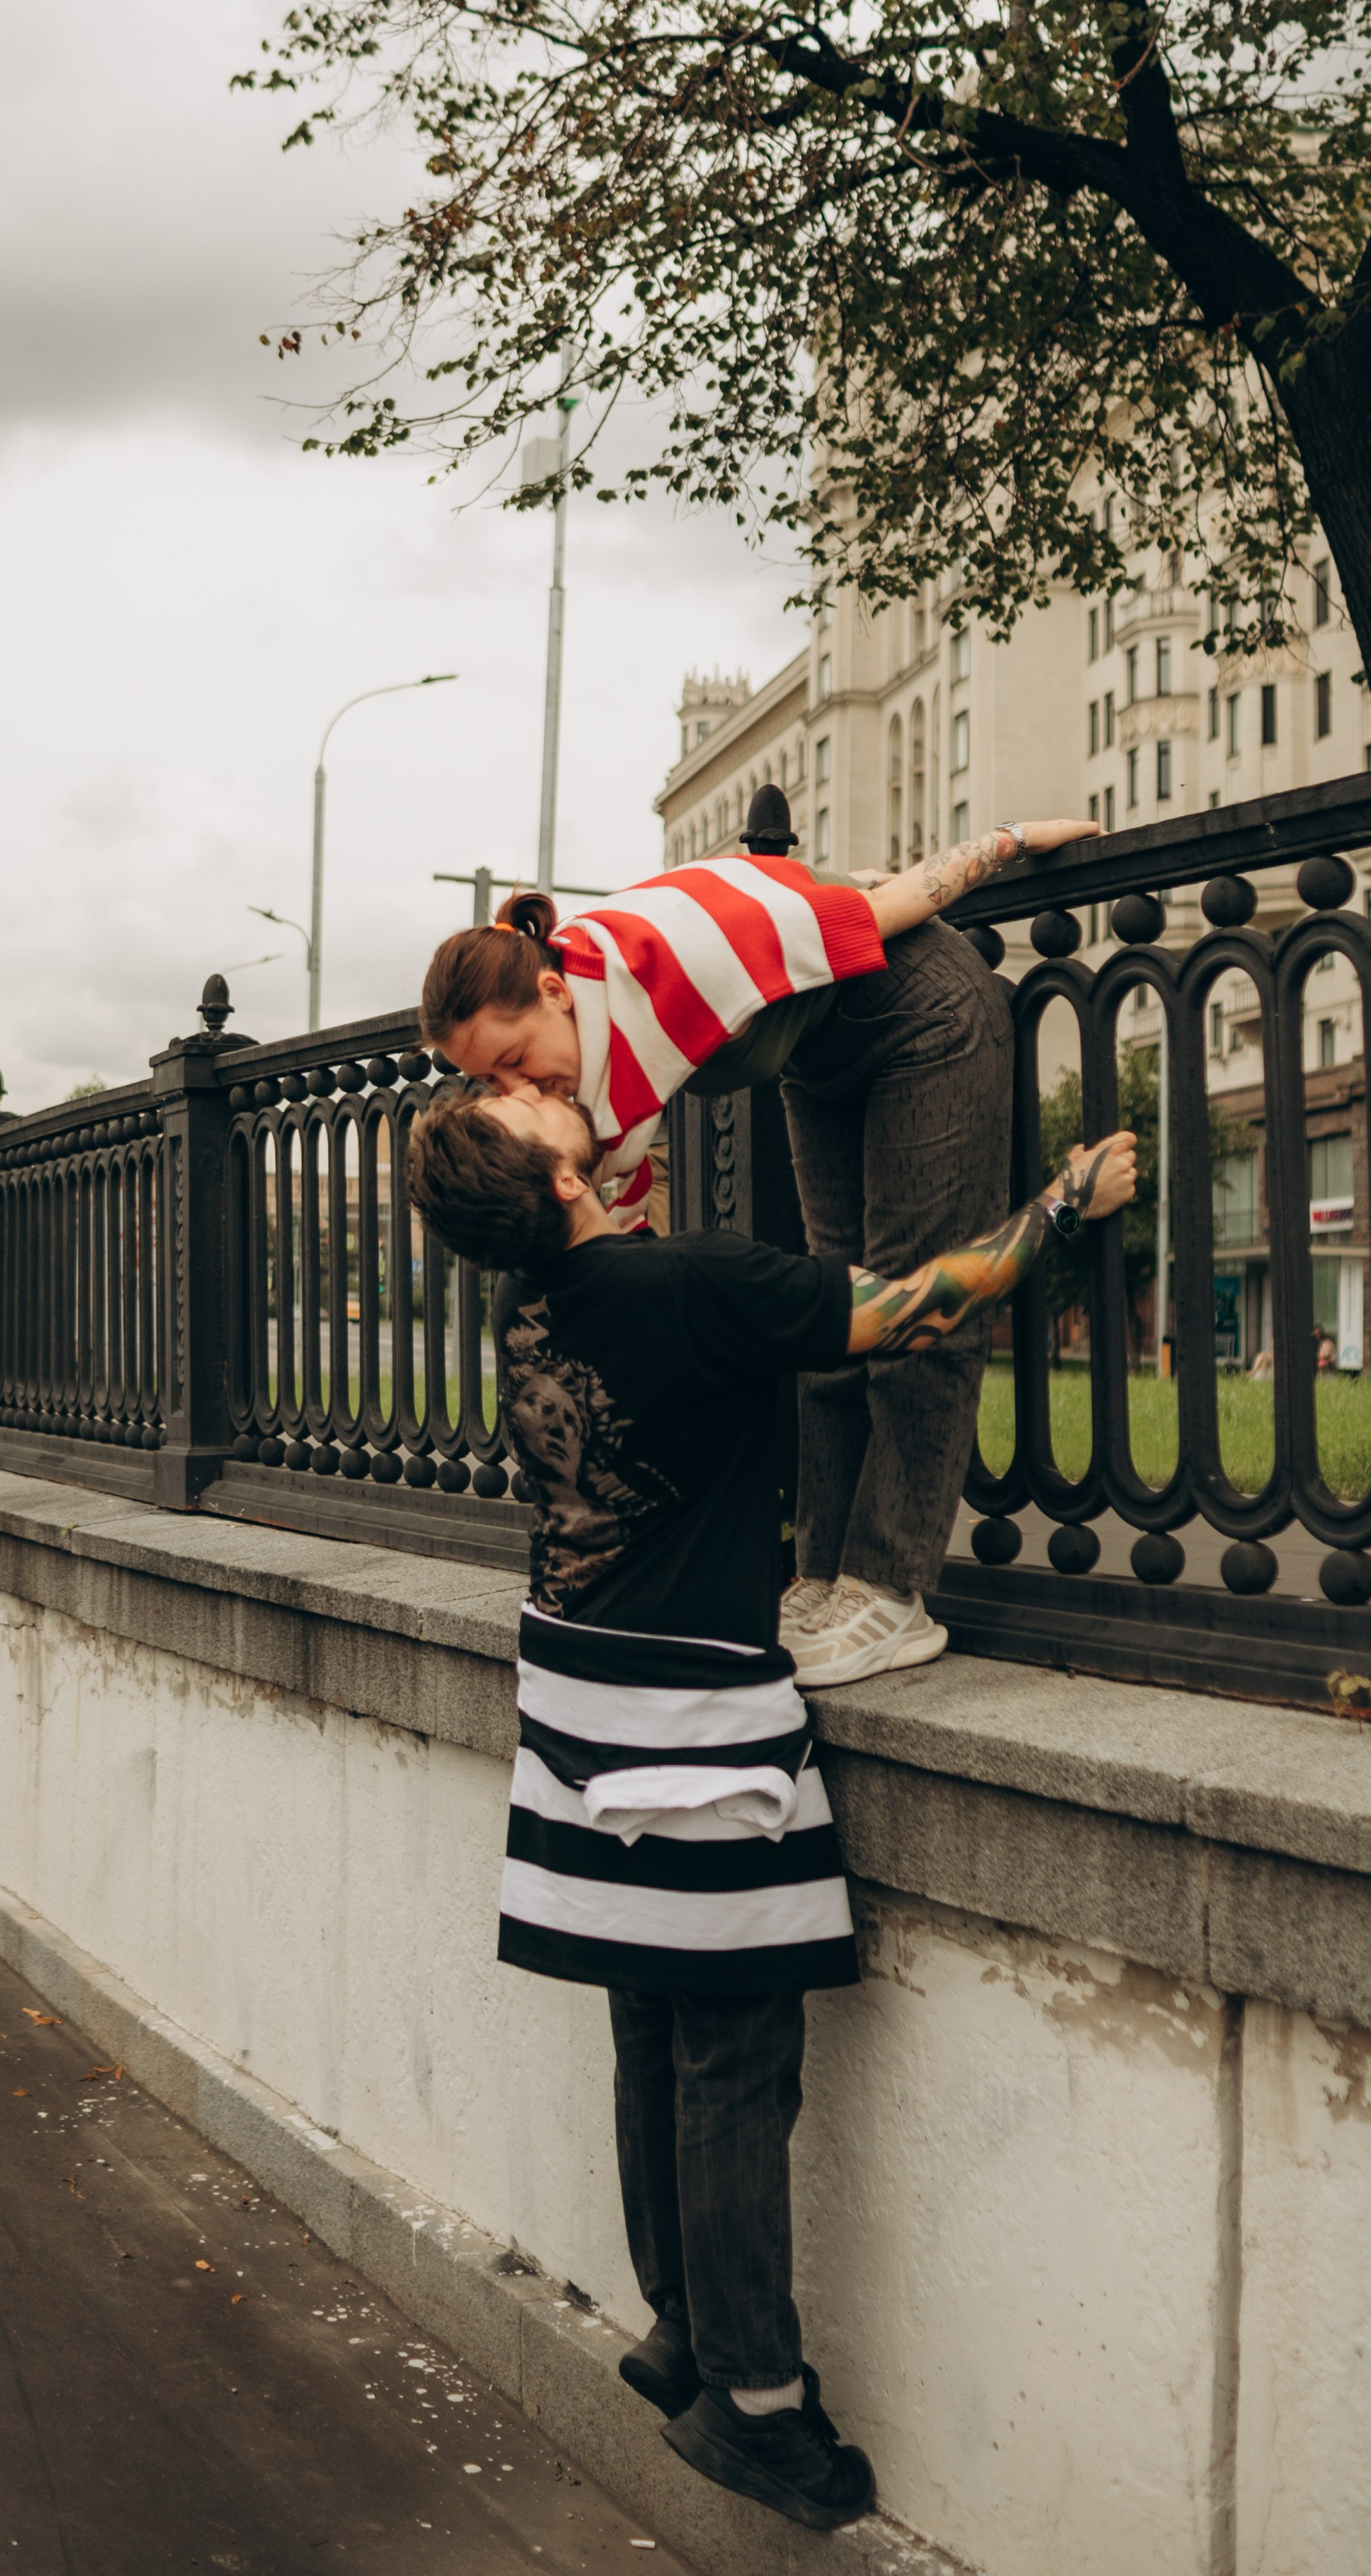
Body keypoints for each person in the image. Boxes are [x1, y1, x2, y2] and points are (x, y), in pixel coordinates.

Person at [405, 1076, 1135, 2536]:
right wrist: (1062, 1202)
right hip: (693, 1721)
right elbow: (923, 1306)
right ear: (555, 1179)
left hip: (580, 1699)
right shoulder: (688, 1283)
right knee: (734, 2063)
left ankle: (679, 2326)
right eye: (537, 1106)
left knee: (649, 2024)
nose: (560, 1097)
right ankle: (756, 2407)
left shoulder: (534, 1300)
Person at [419, 813, 1098, 1688]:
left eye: (513, 1061)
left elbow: (887, 908)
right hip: (818, 1058)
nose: (517, 1089)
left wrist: (1009, 838)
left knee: (906, 1299)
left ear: (555, 990)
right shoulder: (574, 1082)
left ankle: (892, 1589)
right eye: (491, 1082)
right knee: (827, 1308)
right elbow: (612, 1252)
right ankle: (821, 1574)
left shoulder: (680, 951)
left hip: (921, 1013)